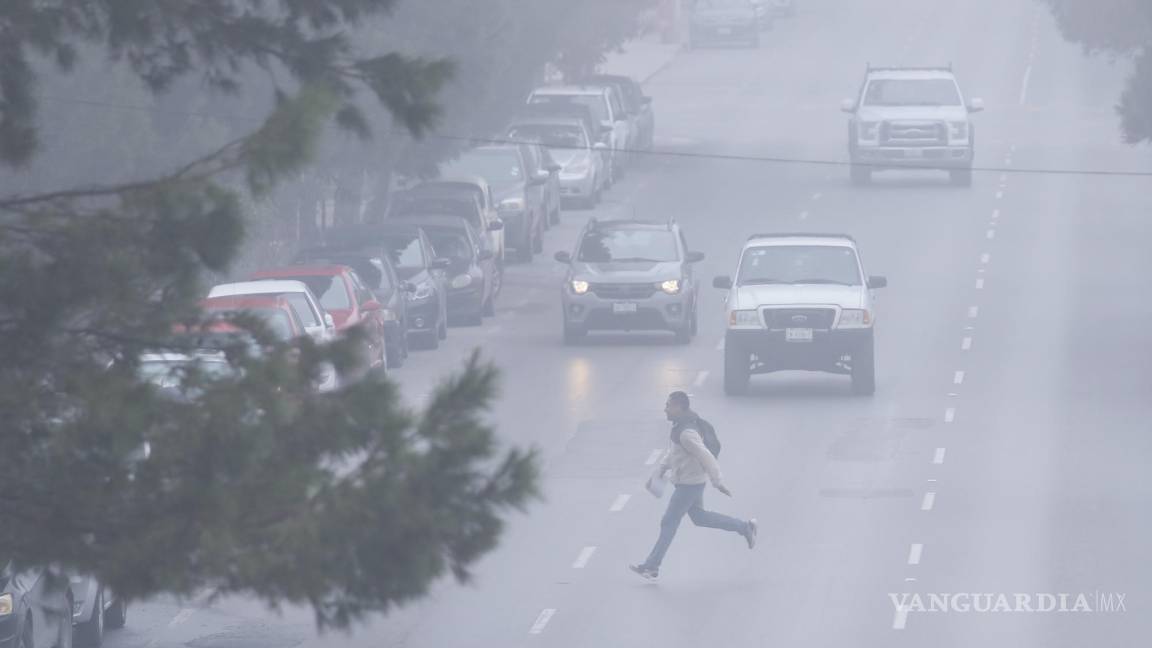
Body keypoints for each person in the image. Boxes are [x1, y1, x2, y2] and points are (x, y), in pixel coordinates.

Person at [630, 391, 757, 580]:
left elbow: (706, 456)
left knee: (669, 522)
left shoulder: (687, 433)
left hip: (688, 485)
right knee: (700, 518)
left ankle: (651, 566)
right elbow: (674, 453)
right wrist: (662, 469)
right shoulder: (680, 426)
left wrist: (718, 481)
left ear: (679, 407)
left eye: (668, 405)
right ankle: (744, 527)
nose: (665, 409)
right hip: (691, 482)